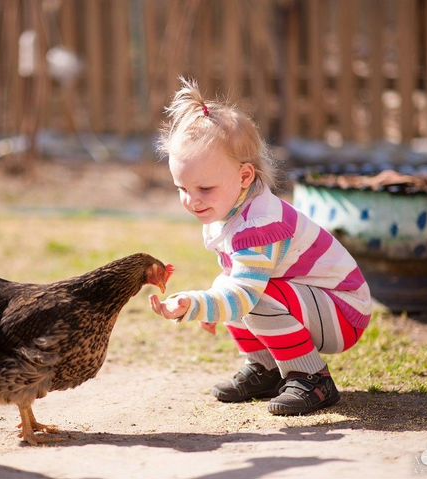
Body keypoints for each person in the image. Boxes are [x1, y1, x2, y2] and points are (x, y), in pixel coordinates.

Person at [149, 77, 372, 416]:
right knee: (230, 286)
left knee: (249, 294)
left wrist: (196, 304)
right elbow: (236, 282)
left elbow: (244, 296)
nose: (192, 201)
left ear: (245, 176)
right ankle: (267, 369)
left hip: (343, 311)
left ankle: (312, 378)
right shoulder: (230, 210)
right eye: (182, 187)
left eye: (205, 188)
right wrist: (213, 301)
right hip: (312, 304)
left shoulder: (260, 225)